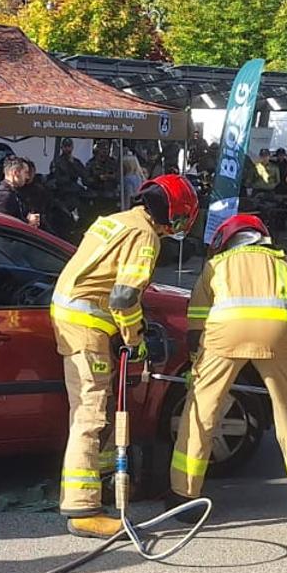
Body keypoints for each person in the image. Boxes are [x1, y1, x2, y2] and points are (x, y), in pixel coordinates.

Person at [52, 173, 198, 538]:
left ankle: (104, 479)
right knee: (90, 412)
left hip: (74, 316)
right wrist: (135, 339)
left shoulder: (116, 220)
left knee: (94, 411)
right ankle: (83, 508)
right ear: (177, 216)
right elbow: (122, 297)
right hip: (87, 323)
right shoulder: (145, 235)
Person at [172, 213, 287, 525]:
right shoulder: (285, 264)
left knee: (201, 414)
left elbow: (195, 329)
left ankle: (184, 499)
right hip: (278, 337)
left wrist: (198, 369)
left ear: (225, 242)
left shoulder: (215, 266)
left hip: (222, 336)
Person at [0, 157, 42, 228]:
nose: (27, 177)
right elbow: (2, 227)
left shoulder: (11, 193)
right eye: (25, 172)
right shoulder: (4, 196)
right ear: (15, 173)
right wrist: (28, 222)